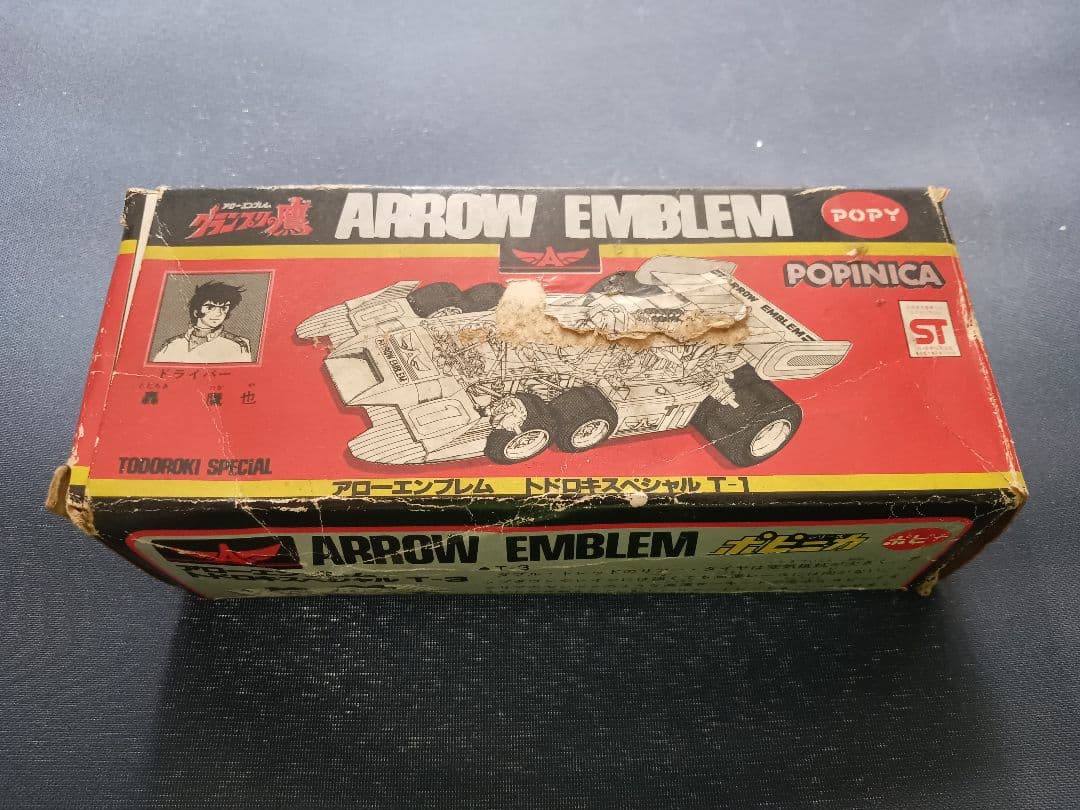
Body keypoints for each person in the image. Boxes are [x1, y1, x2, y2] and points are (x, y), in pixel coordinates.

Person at [153, 281, 253, 363]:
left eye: (223, 308)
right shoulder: (171, 344)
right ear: (196, 311)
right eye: (210, 307)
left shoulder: (238, 344)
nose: (218, 313)